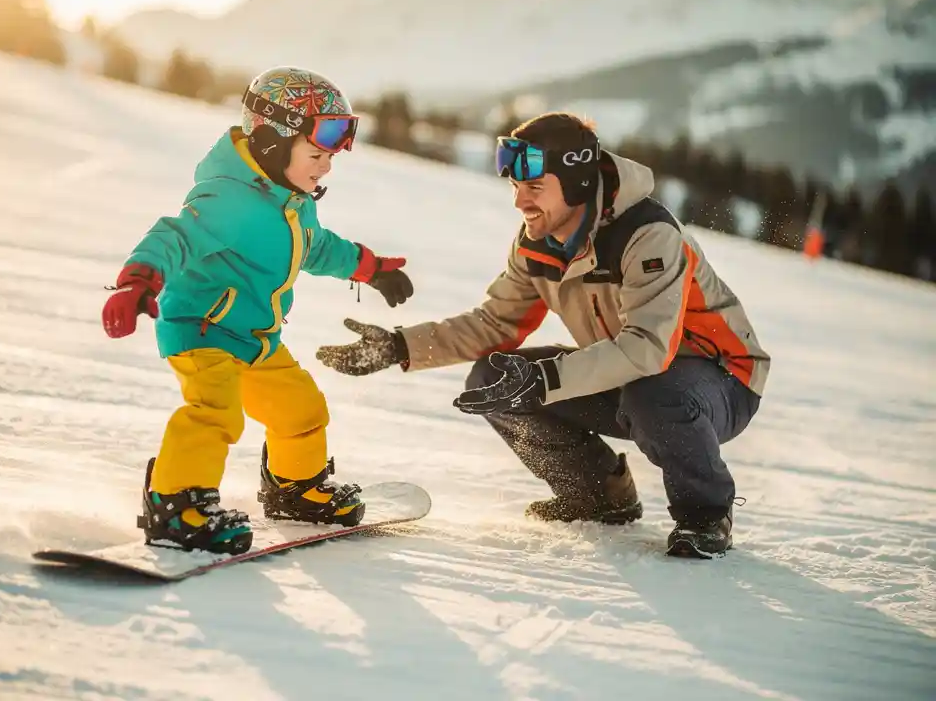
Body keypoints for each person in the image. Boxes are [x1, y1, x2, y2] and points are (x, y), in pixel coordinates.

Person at [315, 112, 770, 558]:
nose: (519, 202)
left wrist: (549, 379)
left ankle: (705, 514)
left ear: (576, 185)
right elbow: (496, 323)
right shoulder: (537, 241)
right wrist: (400, 346)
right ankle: (599, 494)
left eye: (533, 187)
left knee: (653, 394)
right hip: (632, 375)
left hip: (719, 381)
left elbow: (649, 347)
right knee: (493, 378)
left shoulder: (647, 235)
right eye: (515, 187)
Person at [101, 66, 414, 555]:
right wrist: (137, 282)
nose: (325, 167)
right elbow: (174, 236)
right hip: (204, 330)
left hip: (257, 339)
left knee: (301, 408)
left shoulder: (291, 201)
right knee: (214, 413)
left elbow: (315, 246)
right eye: (316, 154)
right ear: (271, 143)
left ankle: (295, 489)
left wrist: (369, 268)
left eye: (329, 156)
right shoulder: (227, 197)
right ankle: (174, 503)